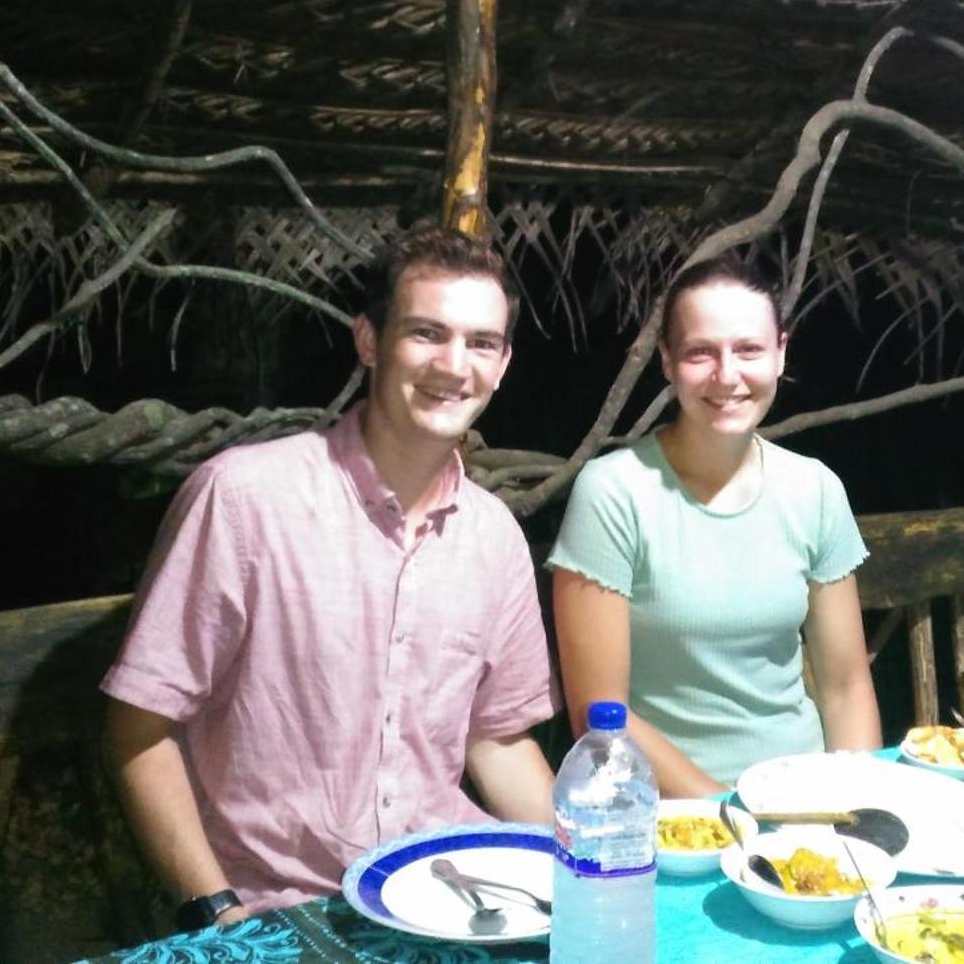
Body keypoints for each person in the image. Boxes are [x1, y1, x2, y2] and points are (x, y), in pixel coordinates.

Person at [100, 226, 558, 929]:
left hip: (449, 898)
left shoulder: (493, 534)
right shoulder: (245, 498)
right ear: (370, 340)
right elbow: (139, 726)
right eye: (426, 333)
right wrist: (219, 911)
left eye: (481, 343)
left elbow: (496, 741)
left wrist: (593, 863)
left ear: (502, 365)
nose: (454, 364)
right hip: (282, 912)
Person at [547, 254, 882, 797]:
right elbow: (601, 715)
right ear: (667, 362)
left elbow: (844, 684)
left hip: (807, 796)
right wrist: (735, 815)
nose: (727, 376)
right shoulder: (614, 491)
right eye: (701, 352)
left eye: (748, 349)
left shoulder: (815, 488)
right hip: (672, 813)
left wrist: (859, 800)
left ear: (780, 354)